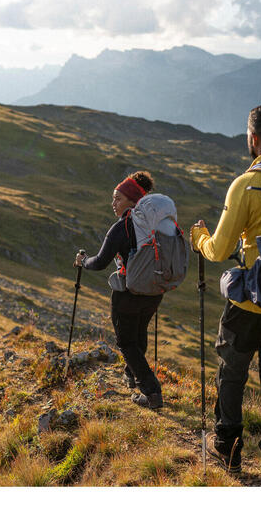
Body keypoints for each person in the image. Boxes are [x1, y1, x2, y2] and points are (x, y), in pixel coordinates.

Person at [190, 104, 261, 487]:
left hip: (249, 303)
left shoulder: (247, 183)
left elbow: (220, 250)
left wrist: (199, 238)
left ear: (253, 139)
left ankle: (227, 446)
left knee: (233, 371)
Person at [75, 171, 164, 410]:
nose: (113, 203)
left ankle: (152, 392)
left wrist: (83, 261)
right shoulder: (156, 224)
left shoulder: (122, 227)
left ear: (133, 201)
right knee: (138, 334)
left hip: (127, 292)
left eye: (117, 198)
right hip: (155, 291)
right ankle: (132, 375)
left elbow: (100, 262)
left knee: (126, 342)